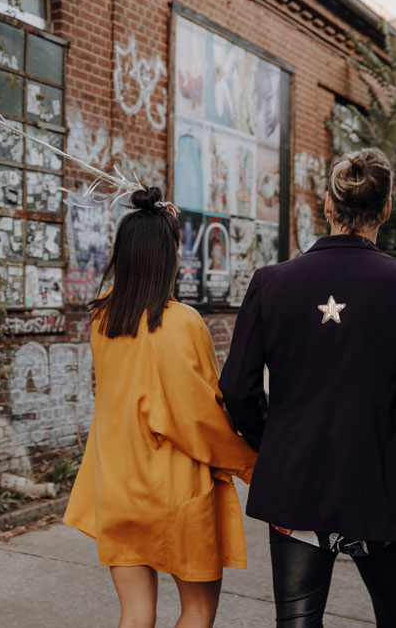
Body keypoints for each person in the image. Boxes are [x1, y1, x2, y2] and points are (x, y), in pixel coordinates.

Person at [219, 148, 396, 628]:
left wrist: (279, 440)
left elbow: (238, 389)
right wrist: (388, 428)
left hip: (296, 484)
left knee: (297, 622)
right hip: (382, 481)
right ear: (387, 209)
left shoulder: (271, 282)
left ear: (328, 207)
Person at [64, 187, 258, 628]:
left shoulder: (102, 319)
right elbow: (198, 419)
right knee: (198, 609)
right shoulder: (180, 324)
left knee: (134, 613)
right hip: (174, 490)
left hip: (117, 484)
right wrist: (250, 463)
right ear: (170, 258)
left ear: (124, 256)